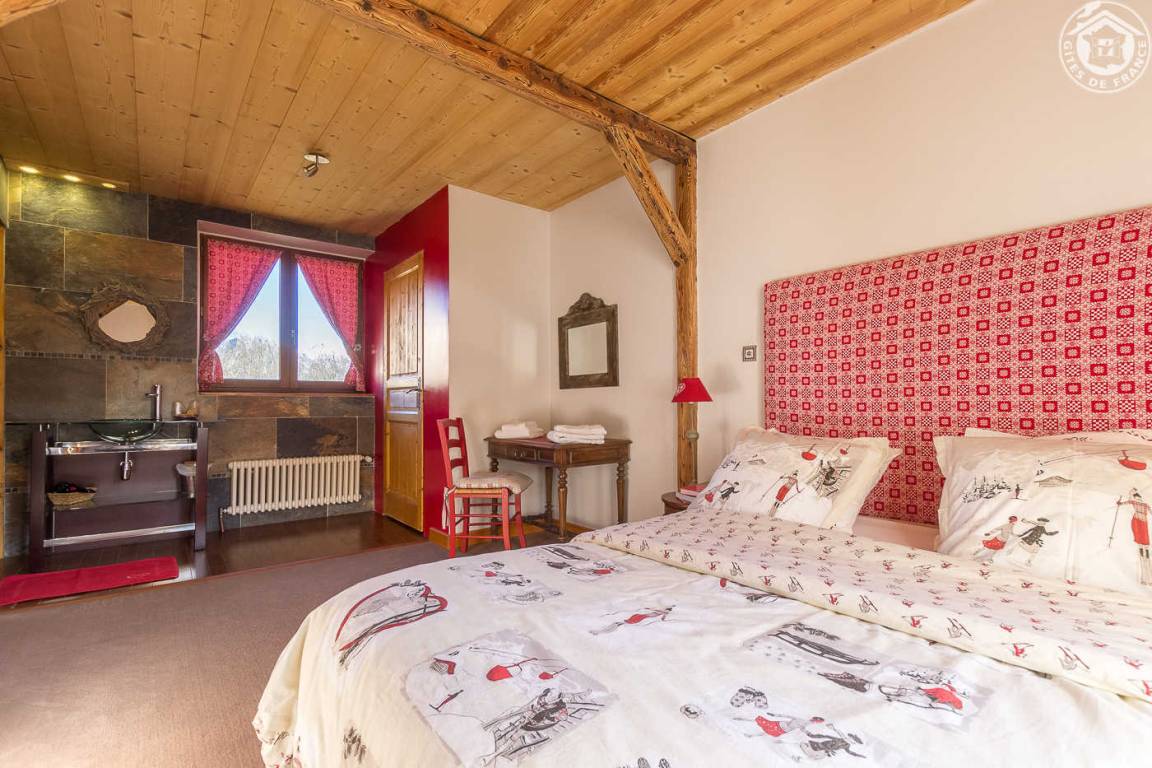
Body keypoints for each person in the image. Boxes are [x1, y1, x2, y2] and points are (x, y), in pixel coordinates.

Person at [1117, 490, 1152, 586]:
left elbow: (1125, 502)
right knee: (1144, 550)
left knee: (1142, 550)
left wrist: (1120, 502)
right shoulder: (1145, 504)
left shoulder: (1135, 502)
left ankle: (1146, 579)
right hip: (1142, 525)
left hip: (1139, 525)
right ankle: (1147, 579)